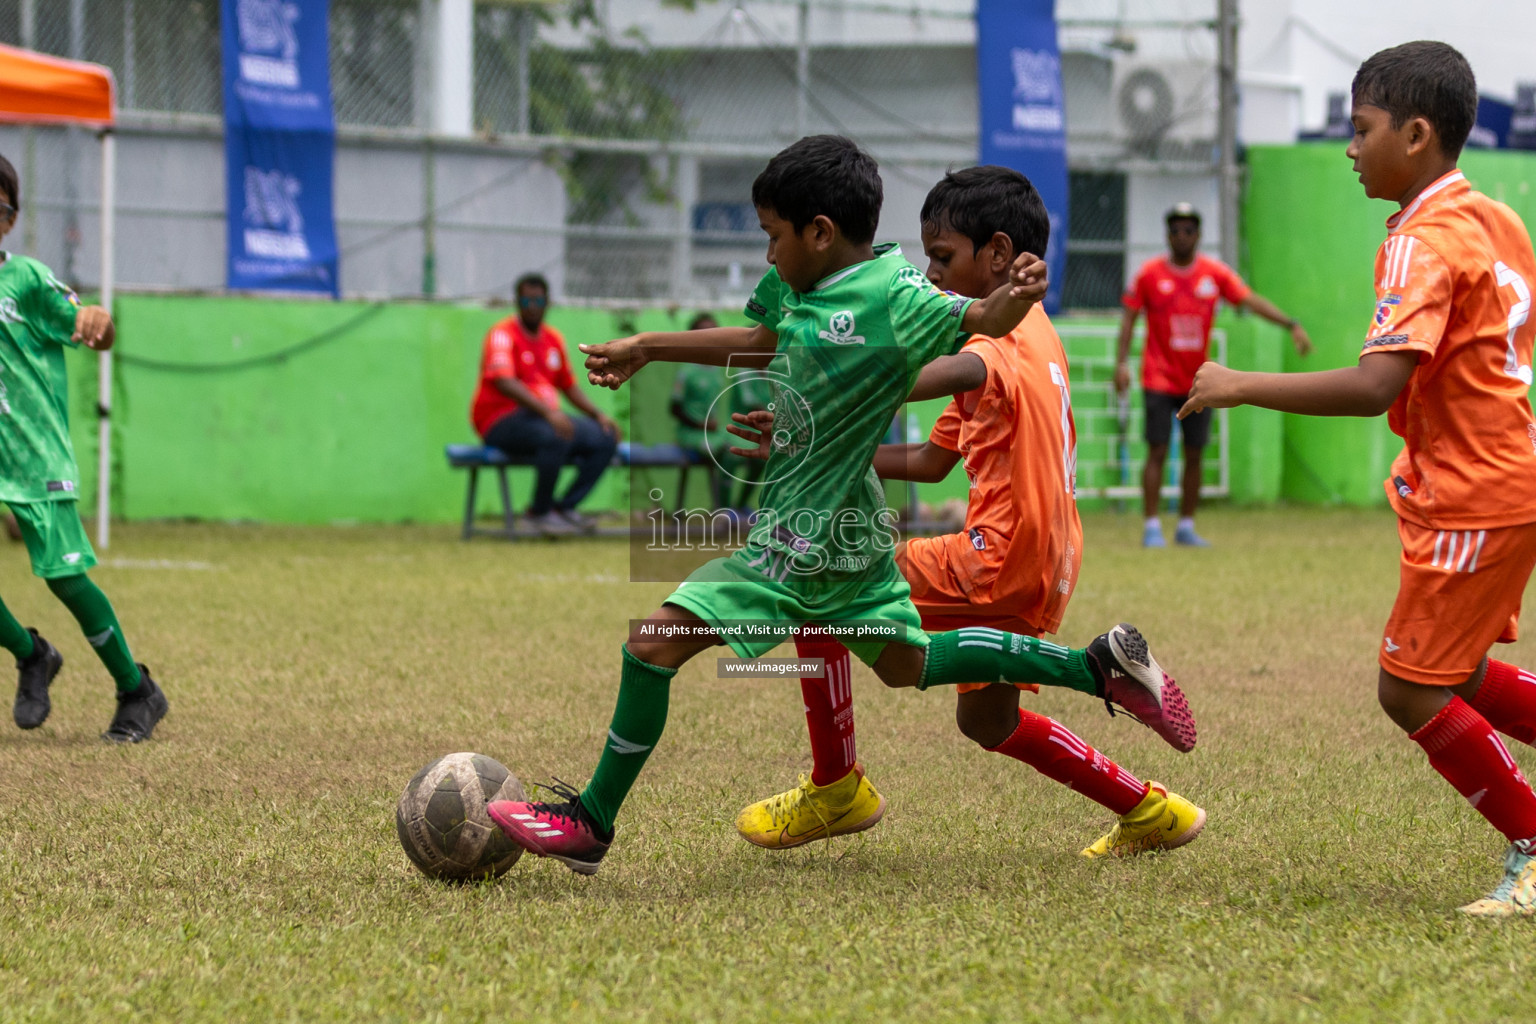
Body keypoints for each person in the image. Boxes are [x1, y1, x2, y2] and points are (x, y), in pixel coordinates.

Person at [481, 135, 1194, 876]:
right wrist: (654, 348)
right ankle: (1090, 673)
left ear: (819, 232)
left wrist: (1015, 294)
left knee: (650, 646)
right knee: (910, 667)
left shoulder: (900, 296)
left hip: (818, 542)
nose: (766, 255)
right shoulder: (798, 284)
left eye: (772, 237)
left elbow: (979, 323)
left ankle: (595, 820)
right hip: (853, 532)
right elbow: (766, 341)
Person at [731, 166, 1202, 859]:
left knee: (811, 581)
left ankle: (836, 786)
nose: (931, 273)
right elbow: (928, 461)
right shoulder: (1036, 327)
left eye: (943, 256)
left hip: (1001, 551)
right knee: (987, 719)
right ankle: (1153, 812)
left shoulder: (989, 341)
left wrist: (835, 399)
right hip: (1051, 558)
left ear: (1000, 254)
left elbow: (948, 372)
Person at [1181, 41, 1536, 916]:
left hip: (1474, 492)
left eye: (1361, 128)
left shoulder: (1422, 241)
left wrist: (1239, 386)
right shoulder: (1496, 218)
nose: (1348, 148)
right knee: (1455, 672)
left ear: (1416, 134)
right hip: (1503, 476)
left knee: (1410, 685)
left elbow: (1379, 384)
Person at [0, 153, 168, 743]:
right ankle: (32, 653)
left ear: (9, 220)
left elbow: (91, 325)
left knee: (65, 581)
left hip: (34, 455)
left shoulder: (25, 280)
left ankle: (136, 689)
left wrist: (98, 319)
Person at [1115, 203, 1312, 548]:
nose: (1182, 235)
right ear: (1167, 234)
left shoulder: (1213, 274)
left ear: (1199, 235)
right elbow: (1129, 319)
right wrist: (1121, 364)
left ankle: (1186, 525)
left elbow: (1250, 300)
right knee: (1157, 450)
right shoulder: (1149, 275)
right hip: (1157, 378)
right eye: (1175, 229)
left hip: (1198, 382)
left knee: (1195, 453)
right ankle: (1151, 526)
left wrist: (1290, 324)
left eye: (1189, 229)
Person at [470, 273, 619, 537]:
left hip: (542, 418)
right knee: (555, 434)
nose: (533, 306)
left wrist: (598, 415)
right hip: (500, 420)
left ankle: (564, 508)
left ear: (547, 301)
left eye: (538, 300)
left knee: (605, 437)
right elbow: (504, 381)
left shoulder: (553, 339)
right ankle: (538, 513)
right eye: (527, 300)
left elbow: (569, 385)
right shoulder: (502, 335)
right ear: (517, 301)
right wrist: (550, 413)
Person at [668, 312, 765, 511]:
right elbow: (674, 408)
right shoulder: (687, 371)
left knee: (757, 455)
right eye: (705, 332)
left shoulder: (718, 369)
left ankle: (738, 506)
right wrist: (701, 425)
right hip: (693, 434)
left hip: (715, 432)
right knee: (728, 452)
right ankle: (723, 508)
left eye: (714, 331)